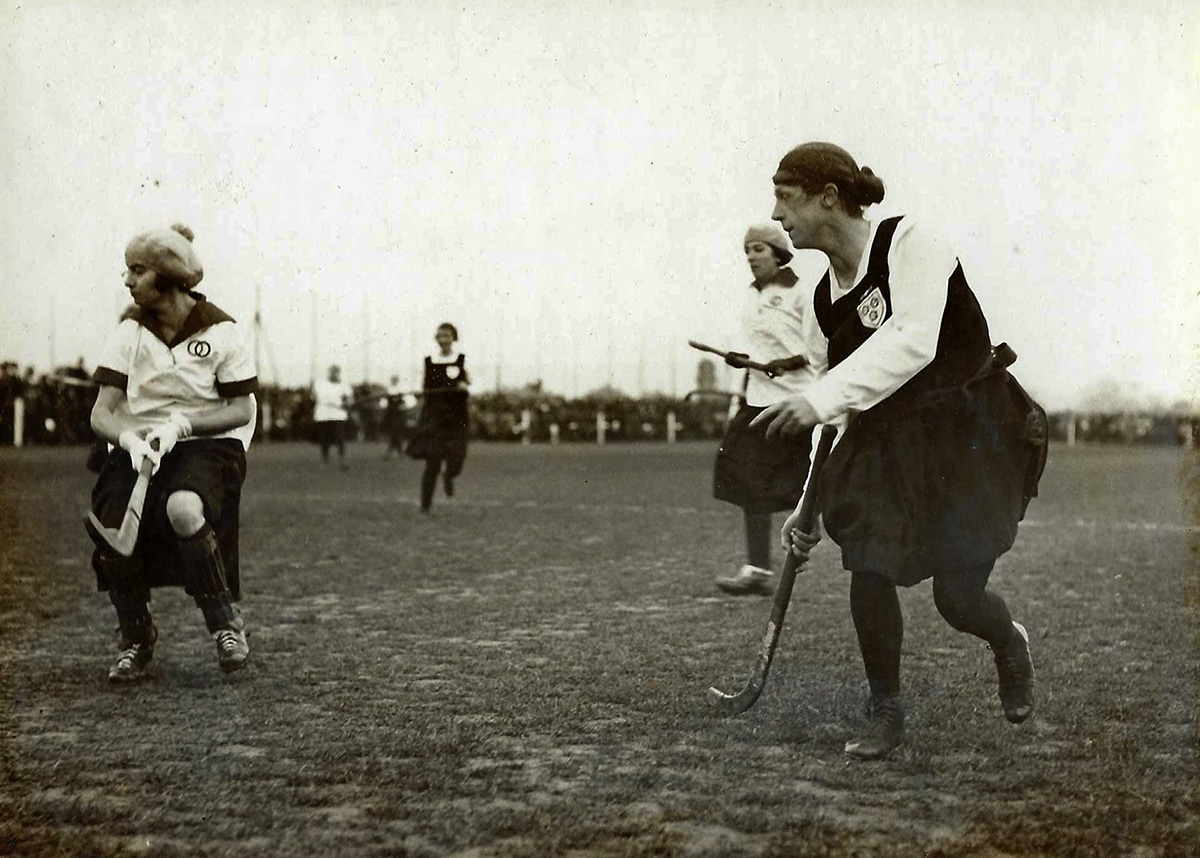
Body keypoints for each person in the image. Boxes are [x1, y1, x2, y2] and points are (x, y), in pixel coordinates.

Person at [752, 142, 1048, 760]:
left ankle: (1008, 641)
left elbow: (913, 340)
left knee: (958, 600)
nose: (777, 216)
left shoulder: (913, 242)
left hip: (969, 433)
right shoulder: (820, 303)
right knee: (868, 561)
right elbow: (835, 405)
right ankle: (884, 707)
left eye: (785, 198)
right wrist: (808, 503)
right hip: (888, 442)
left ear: (827, 197)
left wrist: (824, 397)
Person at [87, 223, 258, 681]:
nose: (127, 280)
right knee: (111, 524)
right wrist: (130, 439)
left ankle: (226, 626)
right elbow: (101, 413)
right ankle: (136, 638)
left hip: (206, 446)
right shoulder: (130, 332)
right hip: (140, 446)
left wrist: (181, 425)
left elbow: (241, 409)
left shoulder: (223, 331)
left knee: (183, 508)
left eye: (136, 270)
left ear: (165, 276)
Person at [712, 224, 822, 596]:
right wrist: (741, 360)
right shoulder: (751, 296)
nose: (751, 257)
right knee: (745, 479)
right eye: (747, 251)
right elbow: (753, 346)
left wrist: (787, 363)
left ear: (778, 253)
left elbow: (820, 346)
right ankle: (758, 569)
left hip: (798, 402)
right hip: (757, 401)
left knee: (818, 489)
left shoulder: (801, 292)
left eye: (758, 249)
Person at [415, 322, 470, 512]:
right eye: (440, 336)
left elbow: (471, 382)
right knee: (433, 461)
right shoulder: (429, 361)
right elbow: (423, 386)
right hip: (435, 417)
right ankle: (425, 505)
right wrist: (421, 392)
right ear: (436, 339)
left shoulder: (461, 360)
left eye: (447, 336)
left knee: (457, 460)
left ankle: (449, 476)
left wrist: (465, 386)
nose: (444, 339)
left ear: (453, 338)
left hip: (457, 417)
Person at [312, 364, 352, 469]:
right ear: (329, 372)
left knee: (340, 438)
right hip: (323, 414)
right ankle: (325, 461)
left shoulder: (344, 384)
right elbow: (318, 397)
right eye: (332, 371)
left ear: (339, 373)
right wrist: (337, 402)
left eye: (336, 372)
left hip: (338, 415)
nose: (334, 374)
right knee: (324, 440)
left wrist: (347, 403)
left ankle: (342, 461)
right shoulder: (320, 384)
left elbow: (349, 398)